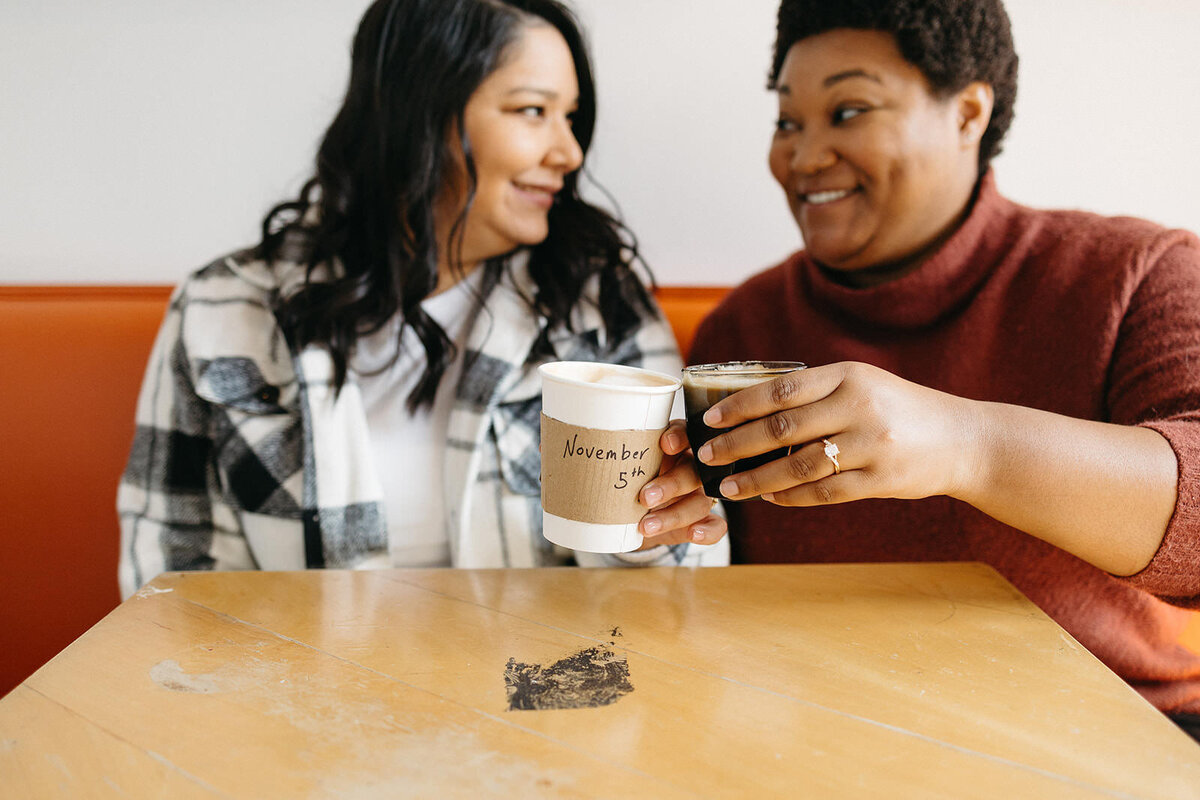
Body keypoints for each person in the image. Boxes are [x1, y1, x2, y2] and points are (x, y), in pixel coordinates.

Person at [689, 0, 1200, 733]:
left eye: (849, 110)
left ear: (967, 114)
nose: (802, 158)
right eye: (787, 122)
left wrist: (968, 445)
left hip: (1112, 739)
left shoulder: (1136, 273)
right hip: (821, 739)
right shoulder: (742, 330)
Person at [118, 0, 728, 600]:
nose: (569, 153)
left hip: (537, 689)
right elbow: (171, 584)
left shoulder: (597, 310)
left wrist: (656, 531)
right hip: (298, 693)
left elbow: (683, 584)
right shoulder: (223, 310)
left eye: (570, 117)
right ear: (419, 114)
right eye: (533, 111)